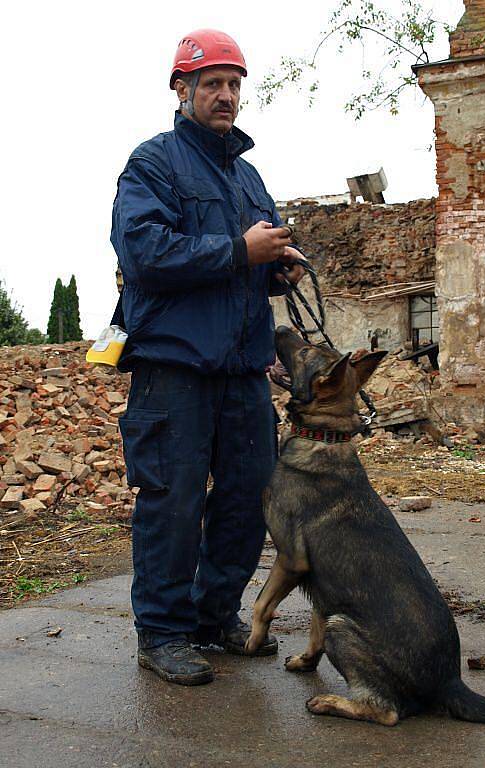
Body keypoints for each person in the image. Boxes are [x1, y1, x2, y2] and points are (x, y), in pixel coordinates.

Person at [111, 29, 304, 685]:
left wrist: (279, 269)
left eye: (234, 85)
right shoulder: (153, 165)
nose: (226, 96)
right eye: (212, 84)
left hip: (242, 370)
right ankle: (162, 634)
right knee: (172, 500)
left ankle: (211, 617)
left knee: (250, 496)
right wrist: (236, 252)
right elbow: (143, 254)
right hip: (174, 371)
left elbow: (257, 257)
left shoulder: (247, 175)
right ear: (181, 89)